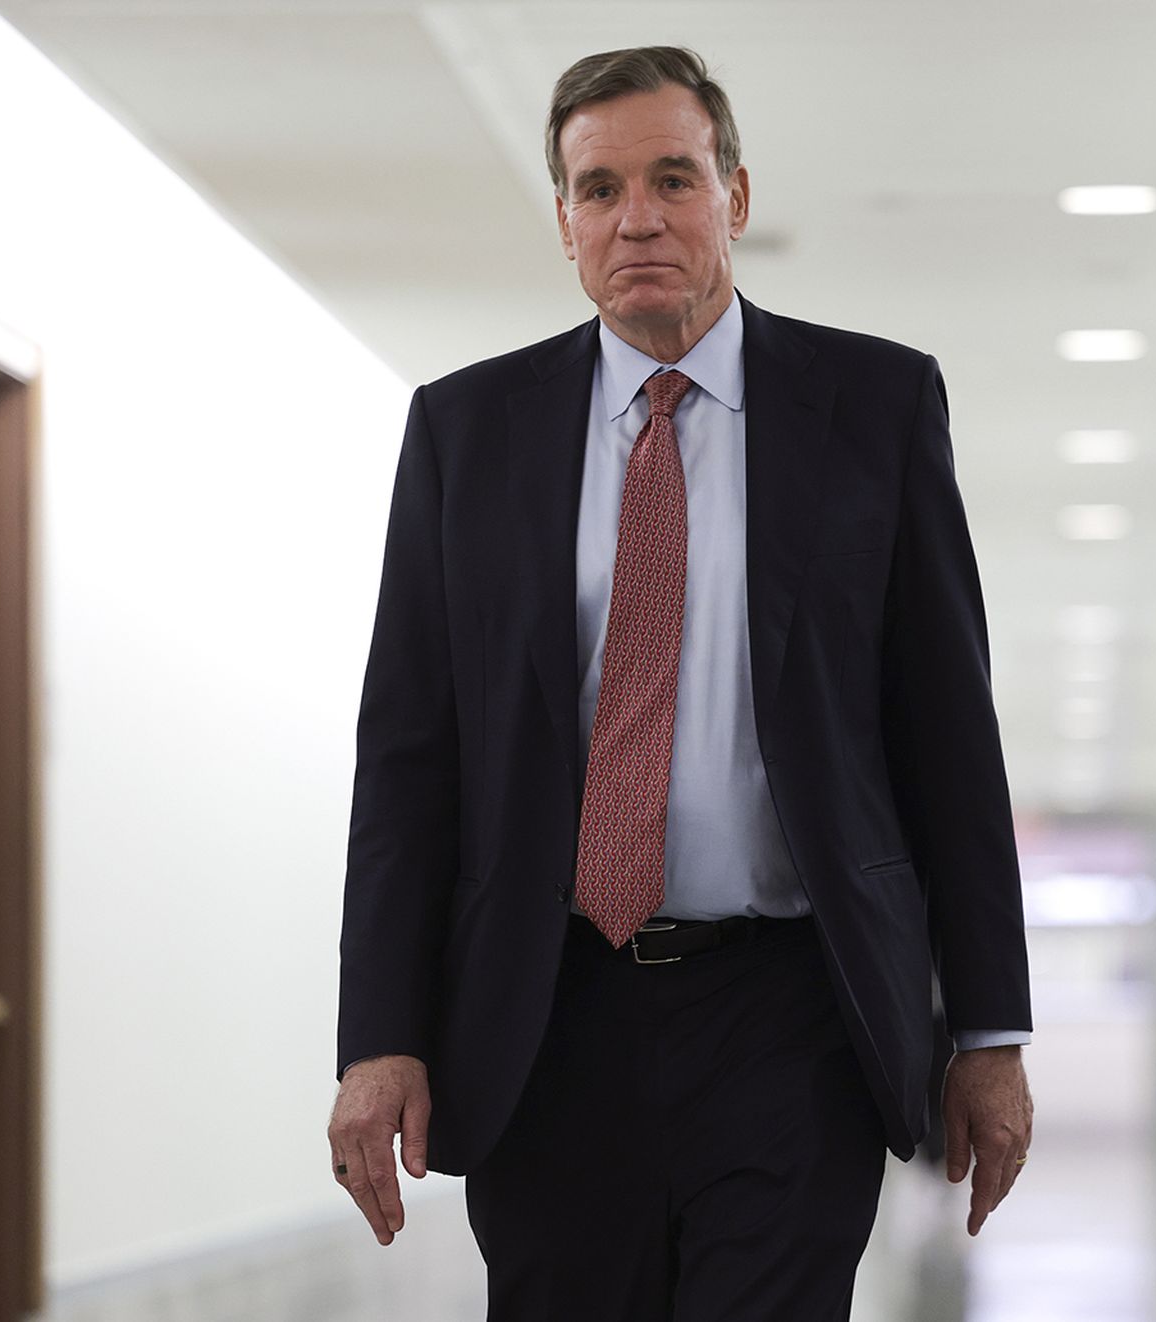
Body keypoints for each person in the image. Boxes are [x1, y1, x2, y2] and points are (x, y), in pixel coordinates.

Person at [325, 45, 1036, 1320]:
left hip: (788, 1010)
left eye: (672, 177)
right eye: (598, 189)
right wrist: (381, 1034)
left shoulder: (872, 405)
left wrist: (987, 1029)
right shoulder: (466, 433)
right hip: (545, 1014)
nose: (637, 218)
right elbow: (409, 759)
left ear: (736, 197)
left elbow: (948, 741)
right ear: (563, 221)